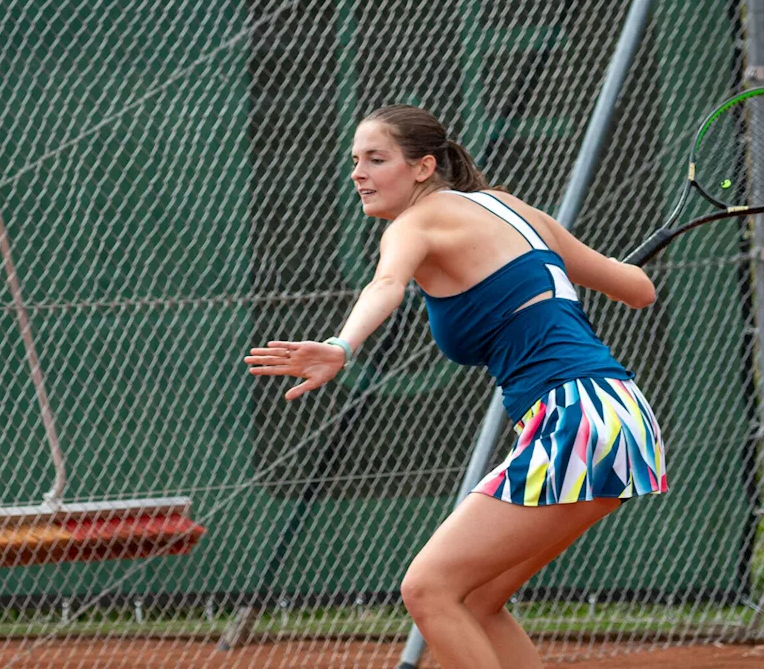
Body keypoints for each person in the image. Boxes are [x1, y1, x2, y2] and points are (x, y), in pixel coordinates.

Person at [244, 104, 667, 669]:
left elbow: (386, 284)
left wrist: (342, 346)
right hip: (620, 414)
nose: (358, 174)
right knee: (475, 600)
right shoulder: (514, 208)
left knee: (428, 589)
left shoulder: (415, 223)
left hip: (574, 416)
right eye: (355, 161)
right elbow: (638, 289)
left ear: (422, 168)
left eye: (376, 159)